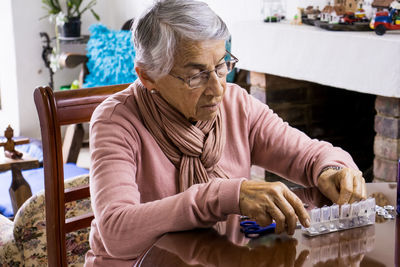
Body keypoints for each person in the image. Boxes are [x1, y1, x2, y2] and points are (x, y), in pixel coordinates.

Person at [85, 0, 366, 266]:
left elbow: (308, 155)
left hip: (221, 259)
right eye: (196, 75)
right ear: (148, 77)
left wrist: (332, 169)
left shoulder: (236, 103)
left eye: (221, 66)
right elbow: (116, 231)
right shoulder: (115, 120)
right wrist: (223, 195)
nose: (218, 88)